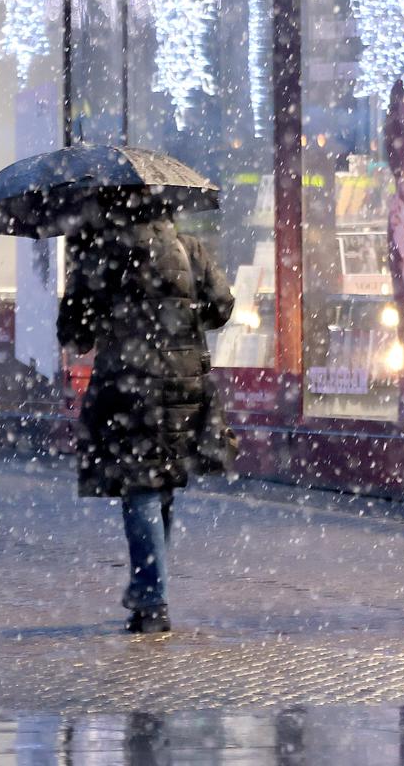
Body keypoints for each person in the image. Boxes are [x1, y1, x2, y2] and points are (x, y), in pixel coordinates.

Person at [58, 205, 236, 634]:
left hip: (128, 386)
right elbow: (222, 307)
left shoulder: (101, 253)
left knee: (140, 487)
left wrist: (93, 300)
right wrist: (184, 318)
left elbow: (74, 334)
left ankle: (151, 598)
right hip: (184, 382)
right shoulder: (189, 248)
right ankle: (147, 592)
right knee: (163, 485)